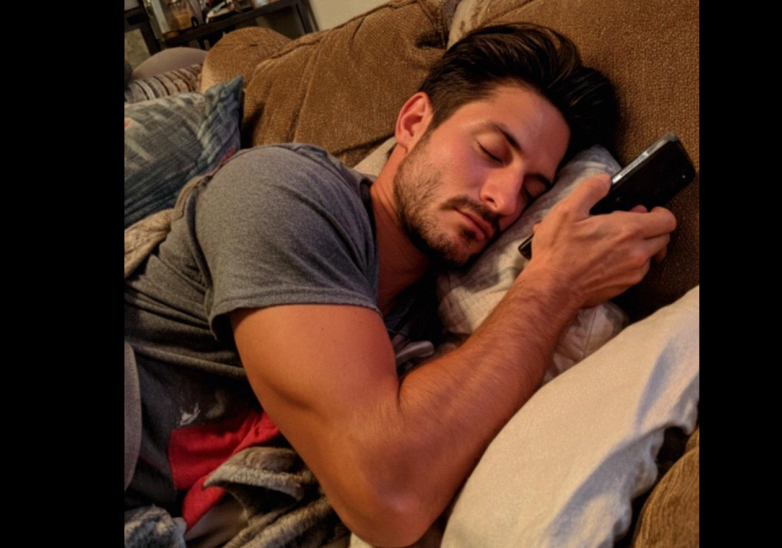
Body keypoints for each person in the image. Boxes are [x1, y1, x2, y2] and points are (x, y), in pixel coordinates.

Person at [124, 23, 677, 547]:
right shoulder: (284, 191)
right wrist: (554, 286)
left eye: (532, 191)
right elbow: (388, 492)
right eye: (490, 152)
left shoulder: (437, 319)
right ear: (413, 123)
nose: (505, 200)